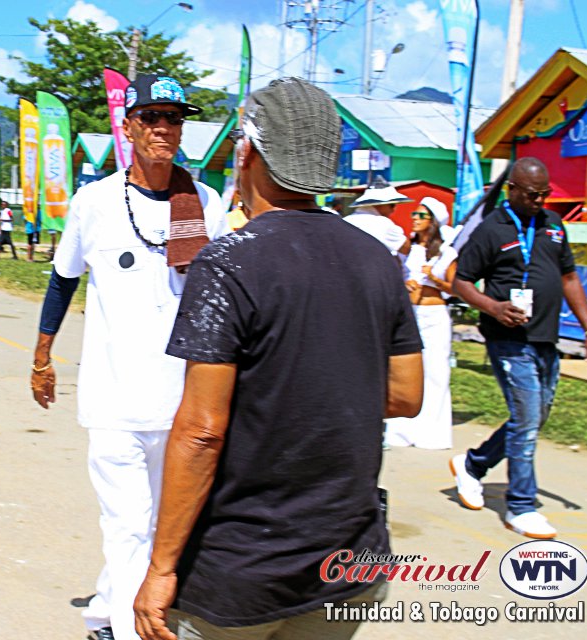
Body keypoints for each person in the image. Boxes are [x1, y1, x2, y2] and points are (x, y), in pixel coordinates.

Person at [132, 77, 424, 640]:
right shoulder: (376, 259)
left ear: (247, 154)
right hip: (350, 563)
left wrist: (162, 567)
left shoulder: (227, 264)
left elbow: (201, 432)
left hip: (239, 575)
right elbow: (407, 396)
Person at [30, 74, 228, 640]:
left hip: (184, 400)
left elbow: (222, 295)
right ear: (130, 125)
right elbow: (62, 282)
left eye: (174, 118)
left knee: (166, 524)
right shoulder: (93, 202)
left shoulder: (206, 204)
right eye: (152, 117)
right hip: (114, 397)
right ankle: (126, 629)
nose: (164, 128)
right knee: (126, 524)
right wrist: (42, 357)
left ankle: (105, 613)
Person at [451, 157, 587, 540]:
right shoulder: (490, 229)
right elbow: (461, 282)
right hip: (508, 341)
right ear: (512, 190)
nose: (540, 200)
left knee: (533, 417)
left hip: (545, 338)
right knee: (528, 419)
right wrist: (494, 307)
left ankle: (473, 464)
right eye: (533, 194)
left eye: (545, 194)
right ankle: (520, 506)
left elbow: (569, 278)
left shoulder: (553, 225)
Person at [386, 196, 457, 450]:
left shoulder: (446, 253)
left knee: (436, 373)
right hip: (410, 313)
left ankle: (432, 434)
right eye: (414, 215)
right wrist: (405, 284)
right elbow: (396, 276)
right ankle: (401, 432)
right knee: (406, 370)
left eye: (420, 216)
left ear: (433, 222)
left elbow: (457, 288)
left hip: (435, 316)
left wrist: (434, 280)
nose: (414, 219)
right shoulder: (408, 250)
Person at [345, 179, 412, 257]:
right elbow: (405, 248)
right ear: (379, 205)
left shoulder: (345, 220)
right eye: (392, 205)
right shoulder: (382, 224)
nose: (393, 210)